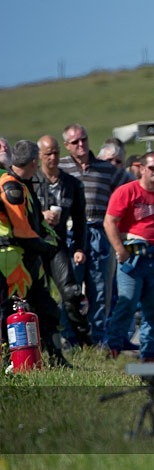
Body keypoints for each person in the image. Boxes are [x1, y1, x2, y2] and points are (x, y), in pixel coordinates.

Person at [103, 151, 154, 362]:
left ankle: (148, 353)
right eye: (152, 167)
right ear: (141, 168)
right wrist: (119, 249)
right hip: (132, 258)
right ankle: (114, 346)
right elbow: (109, 221)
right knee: (127, 302)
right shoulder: (127, 191)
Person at [0, 140, 71, 367]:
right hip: (12, 260)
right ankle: (10, 362)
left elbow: (35, 223)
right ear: (34, 162)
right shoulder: (11, 186)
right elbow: (23, 232)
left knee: (46, 310)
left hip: (26, 260)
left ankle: (55, 358)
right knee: (11, 312)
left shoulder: (24, 184)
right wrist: (48, 248)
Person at [59, 123, 129, 344]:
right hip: (71, 232)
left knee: (99, 289)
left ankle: (98, 339)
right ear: (66, 145)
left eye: (84, 139)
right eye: (75, 142)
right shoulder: (60, 168)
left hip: (99, 230)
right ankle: (70, 339)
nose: (81, 145)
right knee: (70, 287)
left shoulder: (105, 168)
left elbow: (130, 191)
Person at [34, 135, 91, 347]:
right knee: (38, 294)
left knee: (71, 292)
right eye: (48, 153)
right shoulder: (30, 182)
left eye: (56, 152)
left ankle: (83, 339)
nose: (53, 157)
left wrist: (79, 247)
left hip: (57, 244)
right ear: (39, 156)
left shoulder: (72, 184)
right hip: (34, 244)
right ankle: (45, 342)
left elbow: (79, 220)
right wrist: (41, 215)